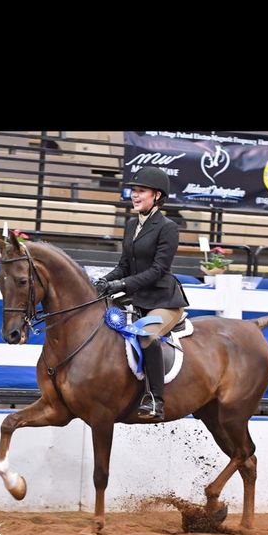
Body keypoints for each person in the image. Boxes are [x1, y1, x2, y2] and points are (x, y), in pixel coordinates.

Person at [94, 165, 189, 422]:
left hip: (163, 301)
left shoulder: (167, 227)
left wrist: (121, 285)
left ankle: (156, 400)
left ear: (157, 196)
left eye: (141, 191)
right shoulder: (131, 224)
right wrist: (104, 281)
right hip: (136, 298)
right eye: (133, 191)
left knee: (147, 336)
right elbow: (124, 265)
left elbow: (158, 270)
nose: (135, 196)